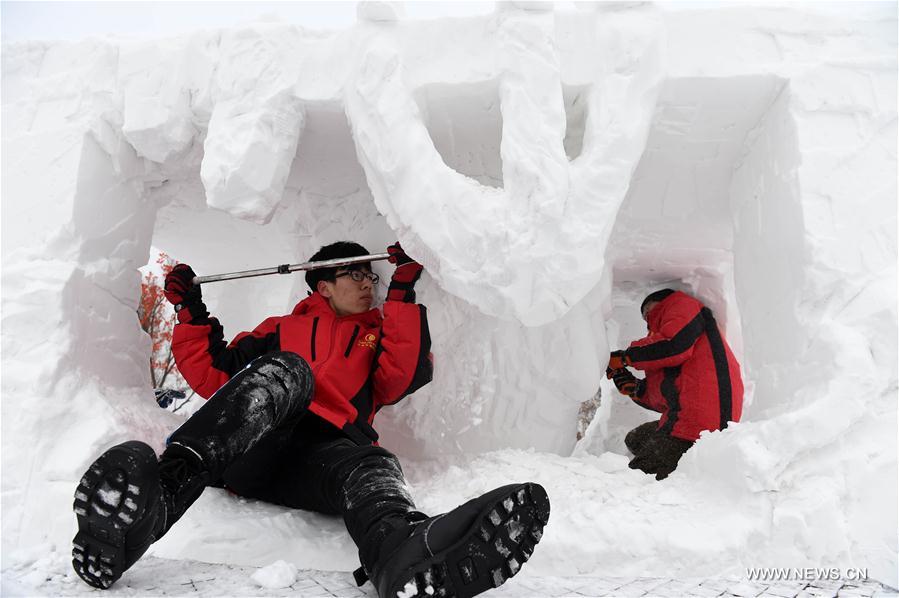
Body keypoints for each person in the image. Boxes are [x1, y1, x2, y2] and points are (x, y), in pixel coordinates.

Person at [72, 241, 550, 598]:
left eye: (372, 276)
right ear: (323, 284)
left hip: (324, 460)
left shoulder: (377, 335)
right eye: (354, 274)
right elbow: (214, 374)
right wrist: (188, 309)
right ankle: (161, 496)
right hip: (257, 449)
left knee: (373, 463)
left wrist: (403, 288)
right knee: (288, 370)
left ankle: (400, 553)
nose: (368, 284)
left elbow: (402, 375)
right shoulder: (281, 329)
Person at [607, 289, 744, 480]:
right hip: (696, 415)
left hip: (701, 421)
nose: (647, 318)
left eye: (648, 311)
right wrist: (635, 388)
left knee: (636, 479)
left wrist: (625, 357)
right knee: (636, 439)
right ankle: (676, 465)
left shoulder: (681, 304)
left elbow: (674, 345)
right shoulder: (679, 356)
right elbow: (666, 393)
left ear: (660, 301)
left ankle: (677, 472)